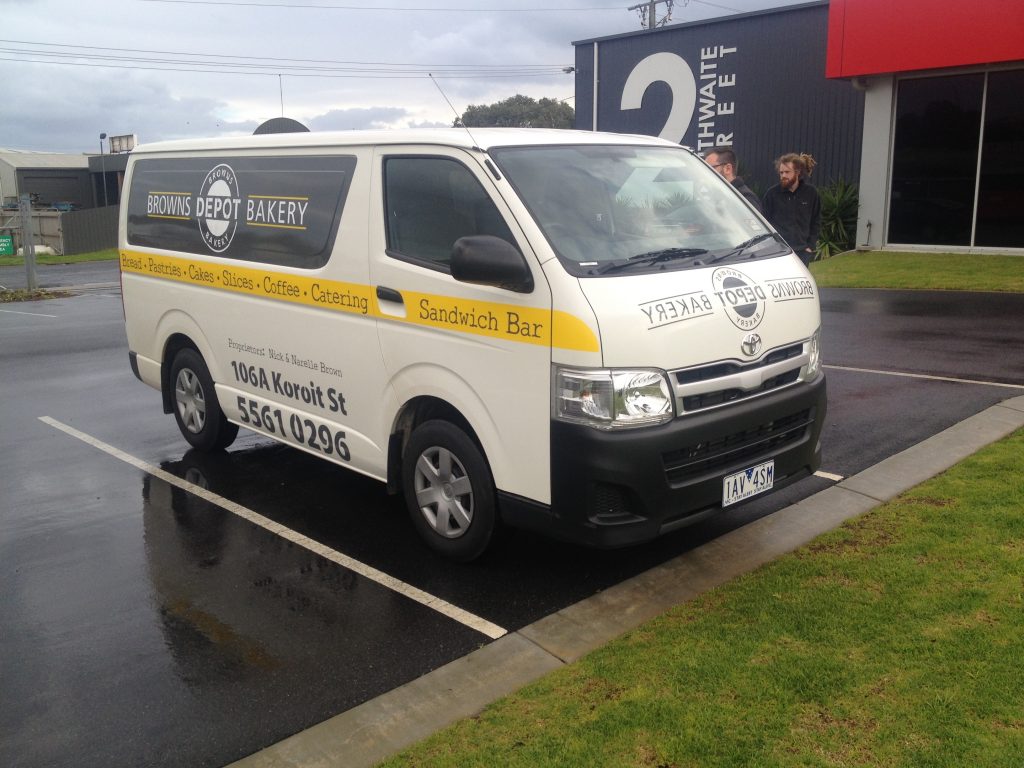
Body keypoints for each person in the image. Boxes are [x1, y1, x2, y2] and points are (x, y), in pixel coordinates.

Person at [761, 152, 821, 265]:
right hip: (778, 252)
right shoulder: (772, 194)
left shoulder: (811, 193)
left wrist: (810, 246)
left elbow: (816, 222)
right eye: (781, 172)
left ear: (797, 172)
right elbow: (763, 222)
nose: (783, 175)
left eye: (787, 172)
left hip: (802, 252)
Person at [705, 148, 762, 213]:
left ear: (728, 169)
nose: (706, 173)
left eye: (710, 168)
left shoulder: (745, 199)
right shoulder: (719, 194)